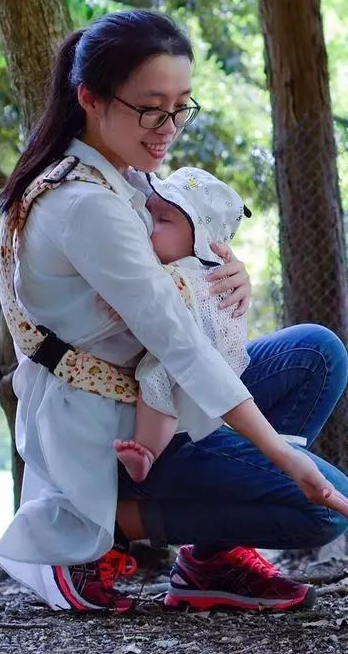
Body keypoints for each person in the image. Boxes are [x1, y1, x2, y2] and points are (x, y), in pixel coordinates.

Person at [0, 9, 348, 614]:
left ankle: (210, 559)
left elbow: (183, 277)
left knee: (313, 353)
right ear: (90, 97)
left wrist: (226, 271)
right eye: (150, 108)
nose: (168, 127)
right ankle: (96, 526)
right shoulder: (85, 203)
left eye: (181, 106)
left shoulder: (128, 175)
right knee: (319, 506)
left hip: (153, 393)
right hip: (112, 427)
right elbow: (178, 344)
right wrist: (281, 453)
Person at [114, 167, 257, 483]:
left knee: (160, 384)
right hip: (204, 368)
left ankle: (148, 452)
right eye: (148, 214)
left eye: (164, 220)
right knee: (162, 385)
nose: (149, 225)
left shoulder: (192, 274)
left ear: (201, 240)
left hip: (202, 365)